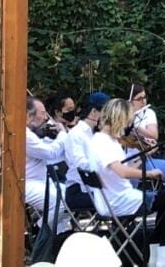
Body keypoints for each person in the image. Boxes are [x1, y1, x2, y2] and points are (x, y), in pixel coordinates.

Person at [88, 98, 165, 267]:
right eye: (128, 121)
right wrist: (149, 173)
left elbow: (122, 169)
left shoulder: (101, 140)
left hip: (113, 198)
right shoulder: (104, 143)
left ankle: (157, 252)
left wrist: (144, 156)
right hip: (120, 201)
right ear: (120, 119)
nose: (128, 126)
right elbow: (123, 172)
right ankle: (162, 255)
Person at [126, 83, 165, 196]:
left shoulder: (148, 113)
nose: (143, 101)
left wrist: (137, 127)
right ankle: (130, 209)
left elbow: (153, 136)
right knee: (130, 177)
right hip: (124, 162)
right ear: (130, 101)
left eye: (144, 97)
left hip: (144, 159)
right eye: (139, 99)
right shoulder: (122, 115)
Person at [24, 96, 70, 236]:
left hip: (41, 181)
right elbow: (49, 153)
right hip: (28, 183)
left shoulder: (32, 133)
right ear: (28, 115)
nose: (45, 118)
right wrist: (62, 134)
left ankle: (56, 238)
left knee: (72, 197)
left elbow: (47, 149)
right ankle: (39, 232)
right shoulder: (25, 135)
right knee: (62, 203)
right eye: (42, 113)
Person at [63, 91, 109, 211]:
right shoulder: (76, 134)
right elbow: (81, 164)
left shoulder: (93, 133)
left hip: (94, 189)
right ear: (94, 112)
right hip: (79, 191)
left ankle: (121, 228)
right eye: (105, 113)